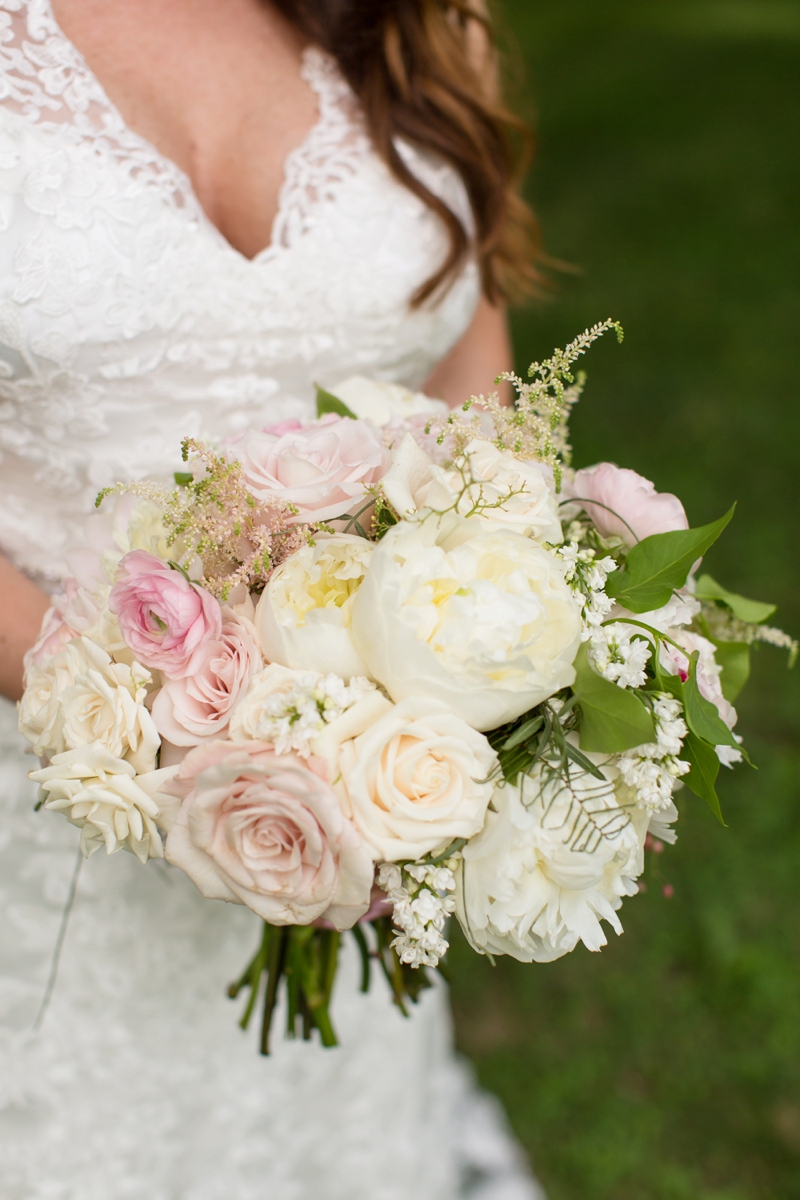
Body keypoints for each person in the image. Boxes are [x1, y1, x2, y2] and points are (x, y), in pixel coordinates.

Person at [0, 1, 545, 1195]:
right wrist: (145, 725)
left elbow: (464, 329)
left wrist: (451, 662)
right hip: (36, 763)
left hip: (357, 761)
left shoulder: (418, 16)